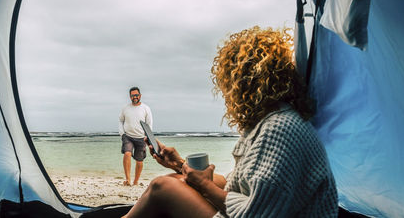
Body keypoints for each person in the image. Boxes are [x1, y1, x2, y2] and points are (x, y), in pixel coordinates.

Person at [123, 26, 338, 217]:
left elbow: (255, 212)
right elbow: (235, 185)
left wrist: (205, 186)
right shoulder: (267, 122)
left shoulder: (280, 127)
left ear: (244, 82)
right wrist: (180, 166)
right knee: (175, 179)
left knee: (163, 186)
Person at [119, 87, 153, 186]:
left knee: (139, 160)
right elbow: (120, 120)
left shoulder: (146, 108)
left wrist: (148, 137)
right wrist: (122, 133)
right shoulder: (125, 108)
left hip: (141, 137)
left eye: (136, 95)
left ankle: (135, 181)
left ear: (140, 95)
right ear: (130, 97)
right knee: (127, 154)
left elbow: (149, 124)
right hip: (127, 136)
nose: (135, 97)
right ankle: (128, 180)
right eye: (133, 95)